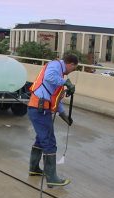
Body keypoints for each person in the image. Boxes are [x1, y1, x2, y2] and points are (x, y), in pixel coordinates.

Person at [27, 54, 78, 187]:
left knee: (41, 139)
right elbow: (49, 77)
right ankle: (52, 178)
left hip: (39, 107)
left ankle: (34, 169)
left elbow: (55, 98)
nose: (71, 71)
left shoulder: (59, 75)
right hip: (39, 108)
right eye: (73, 68)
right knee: (49, 142)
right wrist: (65, 82)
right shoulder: (55, 66)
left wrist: (64, 116)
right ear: (70, 64)